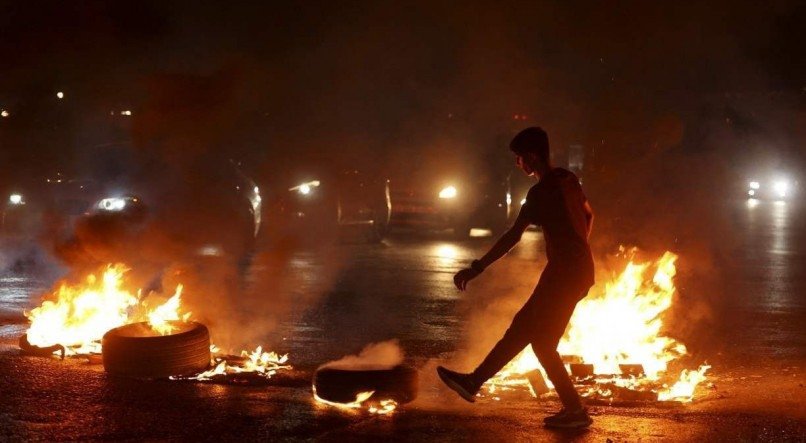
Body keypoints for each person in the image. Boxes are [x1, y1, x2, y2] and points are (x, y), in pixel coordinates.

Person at [437, 127, 595, 429]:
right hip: (576, 271)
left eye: (519, 157)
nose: (517, 163)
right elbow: (588, 215)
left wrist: (477, 267)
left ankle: (576, 411)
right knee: (523, 327)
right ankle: (473, 382)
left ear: (532, 157)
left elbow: (512, 237)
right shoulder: (568, 178)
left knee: (542, 343)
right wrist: (577, 247)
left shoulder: (540, 193)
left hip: (565, 275)